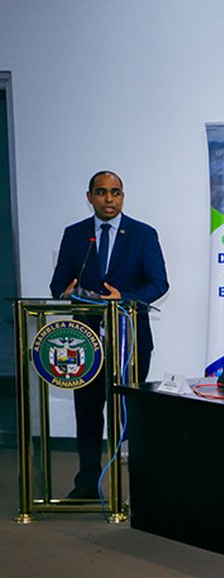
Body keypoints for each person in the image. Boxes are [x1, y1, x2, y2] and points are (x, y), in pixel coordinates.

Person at [49, 171, 169, 499]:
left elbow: (159, 283)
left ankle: (140, 488)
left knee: (129, 415)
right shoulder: (75, 235)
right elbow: (58, 282)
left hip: (130, 340)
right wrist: (65, 291)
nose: (109, 199)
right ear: (90, 197)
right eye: (101, 193)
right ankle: (87, 483)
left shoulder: (143, 234)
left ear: (123, 196)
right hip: (83, 344)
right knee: (87, 414)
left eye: (115, 192)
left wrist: (125, 298)